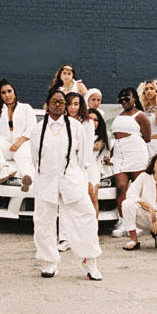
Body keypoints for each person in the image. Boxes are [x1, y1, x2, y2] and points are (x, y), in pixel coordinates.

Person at [31, 88, 102, 280]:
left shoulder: (76, 126)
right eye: (54, 102)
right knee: (43, 222)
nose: (57, 105)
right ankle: (48, 262)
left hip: (72, 180)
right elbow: (35, 157)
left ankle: (89, 263)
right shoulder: (38, 129)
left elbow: (84, 158)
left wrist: (77, 177)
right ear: (47, 104)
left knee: (86, 218)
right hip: (46, 182)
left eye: (61, 102)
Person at [110, 87, 151, 237]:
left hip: (136, 153)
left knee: (136, 188)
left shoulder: (141, 116)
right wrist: (111, 155)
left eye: (127, 99)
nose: (124, 102)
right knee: (121, 187)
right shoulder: (119, 115)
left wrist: (132, 143)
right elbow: (116, 138)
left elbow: (147, 138)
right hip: (120, 155)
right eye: (121, 100)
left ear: (135, 99)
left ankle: (138, 223)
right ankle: (124, 222)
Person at [58, 92, 95, 252]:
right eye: (69, 104)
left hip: (80, 168)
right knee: (63, 205)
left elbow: (86, 148)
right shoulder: (60, 122)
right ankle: (64, 238)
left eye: (76, 104)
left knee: (80, 204)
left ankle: (83, 238)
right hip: (62, 169)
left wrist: (82, 168)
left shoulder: (87, 123)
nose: (72, 107)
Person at [0, 79, 36, 191]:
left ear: (14, 92)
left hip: (22, 144)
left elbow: (32, 127)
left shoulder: (26, 108)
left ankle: (26, 178)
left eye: (9, 91)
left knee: (22, 157)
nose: (7, 95)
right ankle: (4, 168)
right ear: (0, 95)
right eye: (3, 93)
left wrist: (20, 142)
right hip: (6, 146)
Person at [86, 108, 111, 218]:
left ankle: (94, 225)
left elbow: (96, 147)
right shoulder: (80, 134)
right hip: (79, 168)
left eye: (95, 120)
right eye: (89, 119)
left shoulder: (100, 138)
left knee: (92, 198)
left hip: (92, 168)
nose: (92, 122)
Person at [138, 79, 157, 158]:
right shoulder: (142, 108)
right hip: (143, 144)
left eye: (152, 88)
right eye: (146, 89)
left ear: (156, 91)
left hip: (156, 143)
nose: (149, 91)